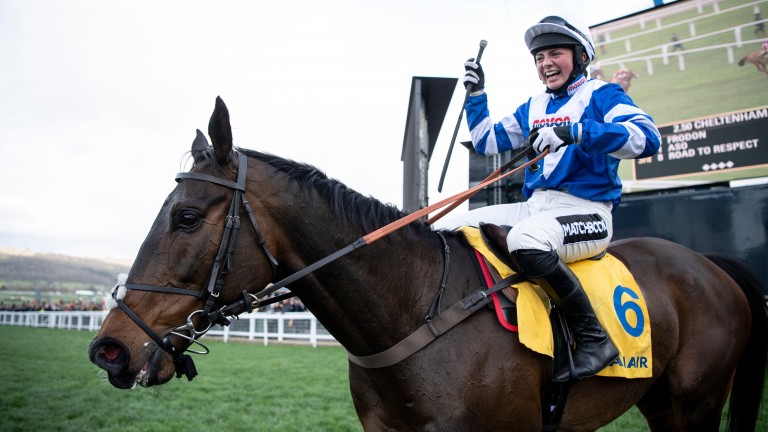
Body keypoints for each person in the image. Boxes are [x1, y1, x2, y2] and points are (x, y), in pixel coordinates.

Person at [432, 15, 661, 381]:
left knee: (526, 239)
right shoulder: (534, 106)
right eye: (539, 58)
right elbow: (487, 140)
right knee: (447, 225)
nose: (545, 64)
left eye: (555, 53)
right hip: (535, 206)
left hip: (588, 211)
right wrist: (478, 96)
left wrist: (576, 131)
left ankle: (594, 340)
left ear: (581, 57)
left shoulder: (602, 95)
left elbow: (647, 138)